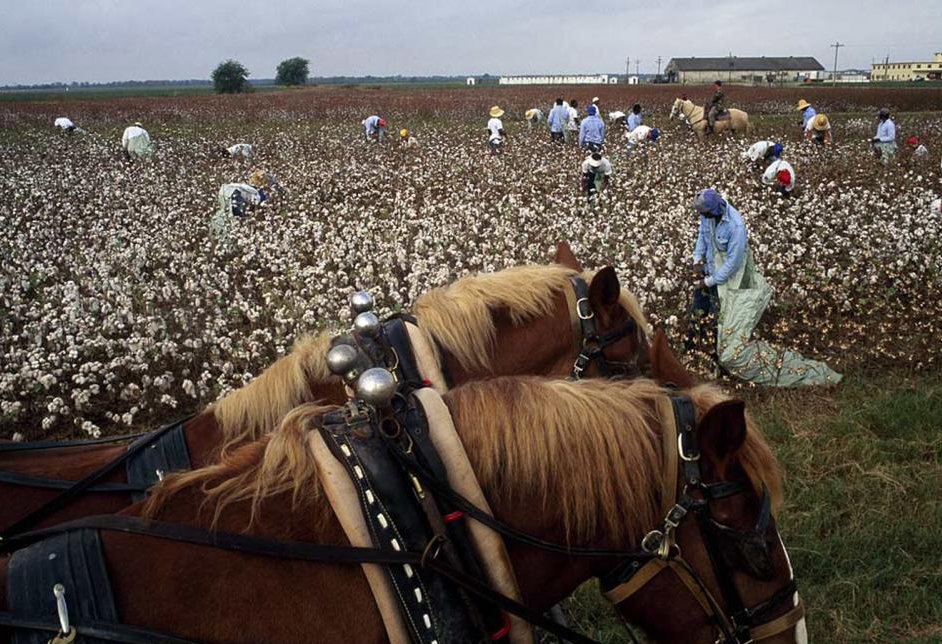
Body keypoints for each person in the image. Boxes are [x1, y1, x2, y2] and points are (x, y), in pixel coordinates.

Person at [685, 188, 841, 385]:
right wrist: (697, 259)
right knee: (698, 311)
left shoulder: (736, 226)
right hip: (710, 271)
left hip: (728, 280)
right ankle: (690, 351)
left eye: (704, 213)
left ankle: (717, 362)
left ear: (715, 210)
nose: (702, 216)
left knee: (720, 320)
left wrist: (708, 282)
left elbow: (732, 265)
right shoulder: (707, 216)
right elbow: (702, 235)